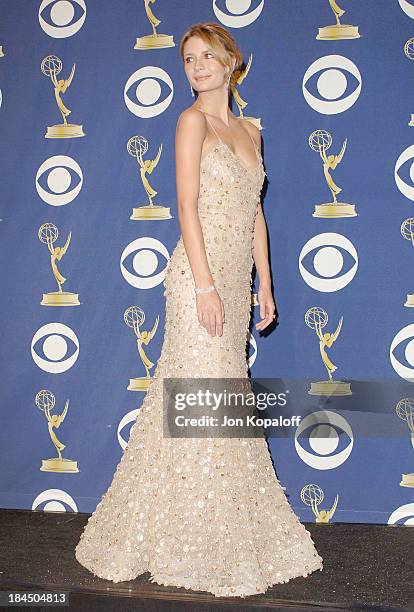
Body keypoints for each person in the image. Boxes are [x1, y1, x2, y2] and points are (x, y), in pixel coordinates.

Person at [75, 22, 323, 598]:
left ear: (233, 62)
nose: (198, 67)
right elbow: (185, 205)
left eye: (208, 56)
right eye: (189, 60)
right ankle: (193, 530)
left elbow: (255, 213)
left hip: (237, 281)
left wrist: (266, 285)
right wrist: (206, 287)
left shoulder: (251, 132)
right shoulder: (191, 123)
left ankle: (205, 521)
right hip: (198, 277)